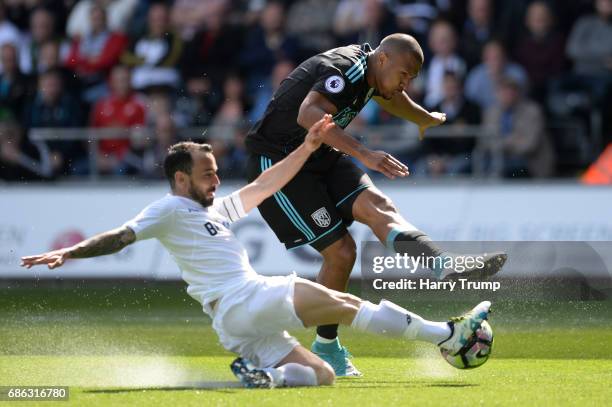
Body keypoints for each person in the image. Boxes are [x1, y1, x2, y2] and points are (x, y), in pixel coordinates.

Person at [20, 115, 493, 388]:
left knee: (322, 377)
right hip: (242, 300)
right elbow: (121, 236)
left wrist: (308, 147)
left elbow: (267, 183)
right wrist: (71, 253)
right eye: (207, 174)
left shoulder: (215, 211)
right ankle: (447, 335)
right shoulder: (166, 209)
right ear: (181, 179)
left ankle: (263, 378)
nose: (216, 179)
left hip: (237, 322)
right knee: (346, 304)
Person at [244, 33, 507, 376]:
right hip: (280, 163)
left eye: (411, 79)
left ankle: (443, 265)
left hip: (319, 150)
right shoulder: (347, 69)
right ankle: (325, 348)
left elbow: (389, 96)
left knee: (378, 206)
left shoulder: (374, 73)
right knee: (341, 253)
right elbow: (308, 114)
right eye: (404, 75)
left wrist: (422, 117)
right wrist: (365, 153)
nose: (406, 84)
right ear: (383, 59)